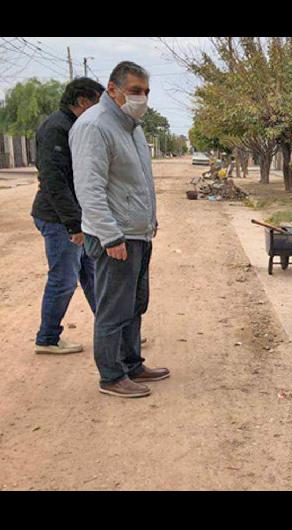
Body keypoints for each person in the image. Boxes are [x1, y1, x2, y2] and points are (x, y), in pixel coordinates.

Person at [71, 61, 168, 399]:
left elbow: (138, 182)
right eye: (134, 91)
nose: (142, 97)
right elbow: (89, 189)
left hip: (138, 233)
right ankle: (111, 376)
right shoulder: (94, 126)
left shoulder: (133, 128)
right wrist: (110, 236)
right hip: (115, 237)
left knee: (134, 304)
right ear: (112, 90)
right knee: (113, 308)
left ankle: (131, 363)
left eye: (145, 92)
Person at [31, 78, 105, 355]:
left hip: (75, 217)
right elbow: (54, 181)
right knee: (63, 279)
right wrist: (73, 224)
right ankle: (48, 338)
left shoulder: (75, 126)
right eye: (98, 102)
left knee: (92, 274)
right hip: (58, 218)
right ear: (83, 101)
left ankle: (110, 327)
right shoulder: (57, 128)